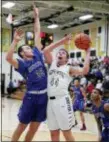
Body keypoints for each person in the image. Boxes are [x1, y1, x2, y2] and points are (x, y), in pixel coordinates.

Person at [6, 5, 71, 141]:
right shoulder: (22, 64)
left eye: (29, 47)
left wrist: (36, 16)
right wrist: (15, 41)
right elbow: (8, 58)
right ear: (23, 54)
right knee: (21, 126)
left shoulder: (37, 54)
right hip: (30, 98)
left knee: (34, 129)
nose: (29, 48)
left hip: (43, 98)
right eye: (26, 48)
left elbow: (37, 31)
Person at [43, 38, 90, 141]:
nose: (60, 53)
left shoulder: (69, 68)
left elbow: (85, 70)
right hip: (50, 102)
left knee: (66, 133)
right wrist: (61, 41)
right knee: (53, 133)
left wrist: (88, 52)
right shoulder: (53, 64)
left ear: (66, 60)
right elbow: (46, 50)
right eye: (59, 52)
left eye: (63, 53)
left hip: (62, 101)